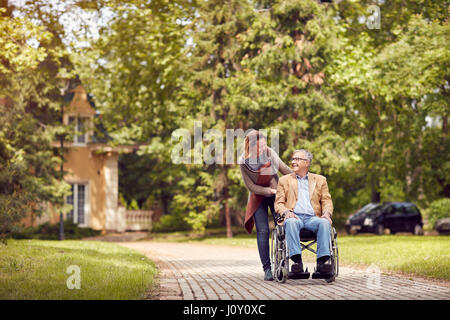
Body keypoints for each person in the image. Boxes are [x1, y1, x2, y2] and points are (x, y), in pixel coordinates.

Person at [239, 130, 292, 281]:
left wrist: (301, 177)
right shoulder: (243, 162)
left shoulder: (269, 152)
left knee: (282, 226)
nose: (263, 149)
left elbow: (284, 169)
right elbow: (250, 187)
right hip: (258, 196)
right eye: (260, 147)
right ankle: (267, 269)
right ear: (251, 147)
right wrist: (268, 191)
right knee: (262, 231)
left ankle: (285, 262)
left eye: (264, 145)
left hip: (275, 193)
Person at [274, 149, 334, 275]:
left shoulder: (320, 180)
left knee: (324, 223)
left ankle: (322, 264)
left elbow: (326, 201)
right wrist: (285, 213)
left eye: (297, 159)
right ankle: (297, 263)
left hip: (313, 218)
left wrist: (327, 214)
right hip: (294, 217)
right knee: (290, 222)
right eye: (293, 159)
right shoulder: (284, 180)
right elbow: (278, 203)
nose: (293, 162)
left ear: (307, 163)